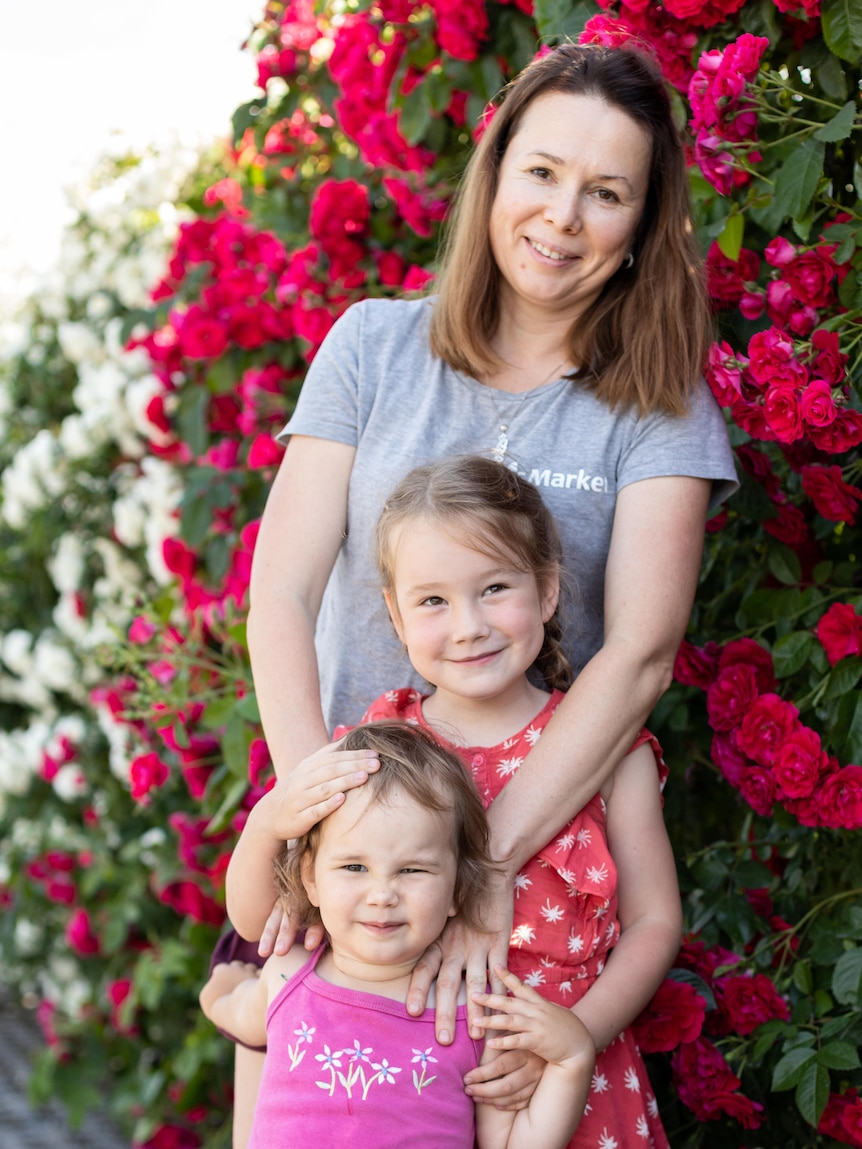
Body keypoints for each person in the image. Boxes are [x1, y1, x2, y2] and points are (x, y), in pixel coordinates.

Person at [229, 39, 738, 1144]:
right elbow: (280, 592)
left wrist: (480, 869)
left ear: (644, 221)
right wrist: (315, 822)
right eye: (542, 173)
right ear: (495, 173)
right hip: (351, 865)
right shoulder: (373, 346)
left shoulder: (658, 402)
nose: (562, 217)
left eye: (607, 193)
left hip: (527, 865)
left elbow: (642, 651)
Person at [226, 455, 682, 1146]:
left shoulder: (607, 752)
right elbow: (272, 917)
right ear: (395, 614)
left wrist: (572, 1039)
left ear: (548, 589)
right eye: (433, 600)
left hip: (567, 1082)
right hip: (405, 1094)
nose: (468, 625)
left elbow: (654, 922)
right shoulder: (377, 751)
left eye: (495, 587)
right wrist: (268, 824)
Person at [202, 721, 595, 1149]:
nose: (383, 894)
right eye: (354, 867)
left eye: (412, 870)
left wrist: (573, 1060)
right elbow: (237, 1013)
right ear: (310, 878)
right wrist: (221, 990)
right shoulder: (284, 977)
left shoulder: (475, 1016)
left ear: (457, 890)